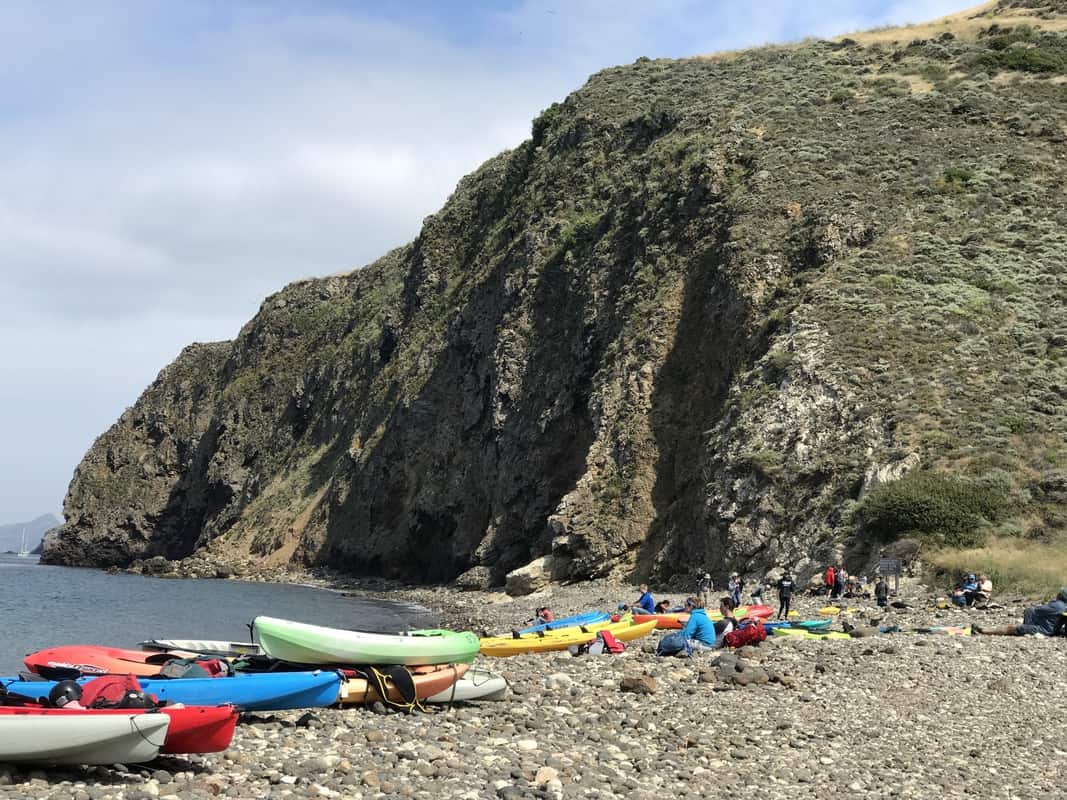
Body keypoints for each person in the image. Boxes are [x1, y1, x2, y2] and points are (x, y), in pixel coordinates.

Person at [972, 588, 1067, 636]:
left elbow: (1038, 610)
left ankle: (983, 630)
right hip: (1051, 628)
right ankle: (1024, 628)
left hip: (1045, 630)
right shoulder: (1063, 606)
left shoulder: (1057, 605)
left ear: (1060, 596)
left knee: (1011, 628)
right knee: (1027, 615)